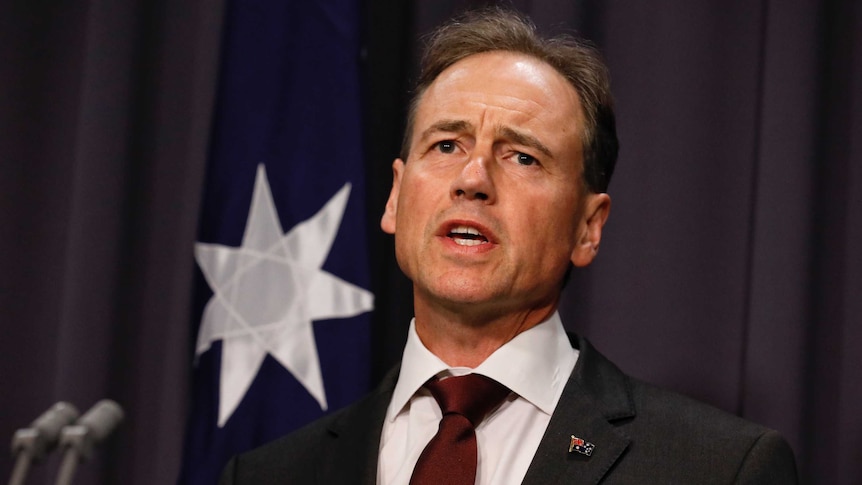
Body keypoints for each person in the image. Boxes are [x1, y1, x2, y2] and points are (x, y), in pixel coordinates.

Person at [219, 7, 798, 484]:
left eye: (522, 156)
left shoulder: (720, 470)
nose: (472, 179)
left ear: (587, 228)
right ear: (395, 198)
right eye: (446, 145)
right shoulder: (267, 475)